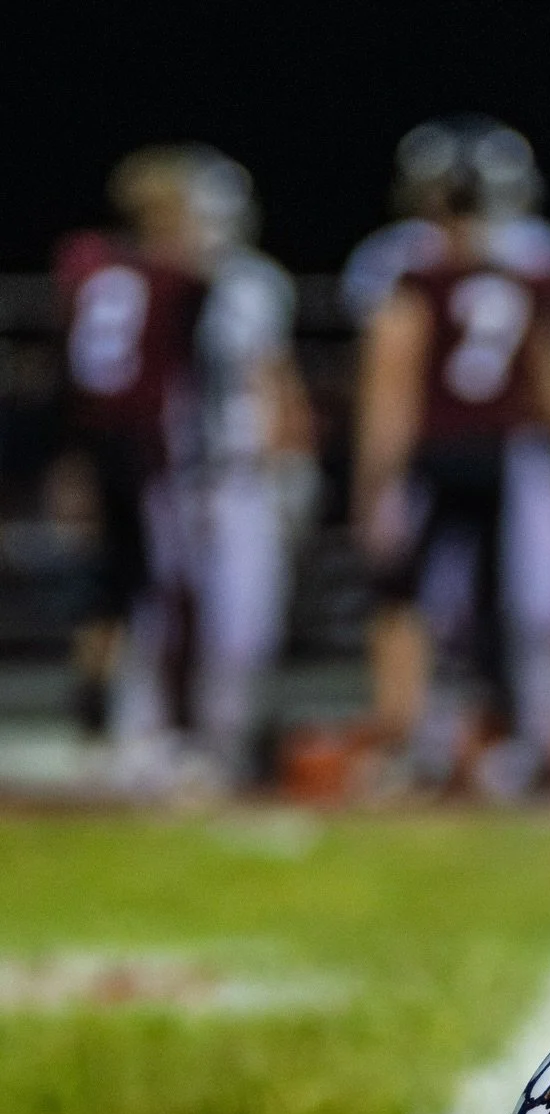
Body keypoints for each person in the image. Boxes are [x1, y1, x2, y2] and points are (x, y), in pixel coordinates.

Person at [349, 116, 550, 796]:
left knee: (433, 603)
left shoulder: (405, 264)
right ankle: (510, 743)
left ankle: (436, 745)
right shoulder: (528, 259)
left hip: (449, 454)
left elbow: (392, 375)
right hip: (511, 456)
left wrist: (375, 480)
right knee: (509, 606)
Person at [53, 149, 208, 763]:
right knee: (154, 578)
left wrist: (67, 454)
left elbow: (70, 366)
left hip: (92, 434)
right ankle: (157, 717)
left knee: (108, 580)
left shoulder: (87, 262)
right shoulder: (175, 277)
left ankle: (97, 708)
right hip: (143, 440)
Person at [188, 149, 317, 785]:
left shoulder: (252, 284)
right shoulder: (150, 280)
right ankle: (152, 743)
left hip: (240, 472)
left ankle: (228, 748)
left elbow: (275, 376)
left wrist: (291, 462)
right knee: (158, 620)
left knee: (245, 625)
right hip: (171, 474)